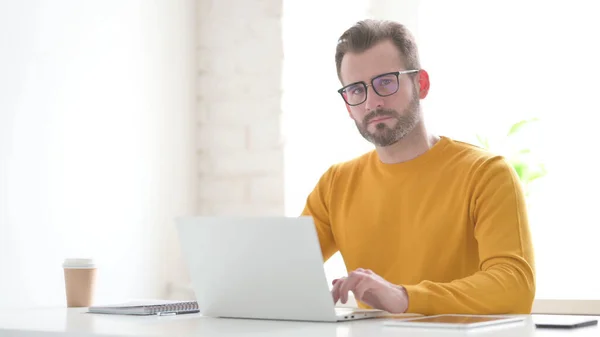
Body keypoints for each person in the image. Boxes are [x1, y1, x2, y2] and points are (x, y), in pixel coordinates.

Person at [300, 19, 535, 316]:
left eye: (385, 82)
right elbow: (282, 273)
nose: (372, 102)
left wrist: (405, 297)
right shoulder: (335, 184)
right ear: (348, 106)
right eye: (357, 90)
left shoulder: (486, 174)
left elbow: (515, 288)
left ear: (420, 84)